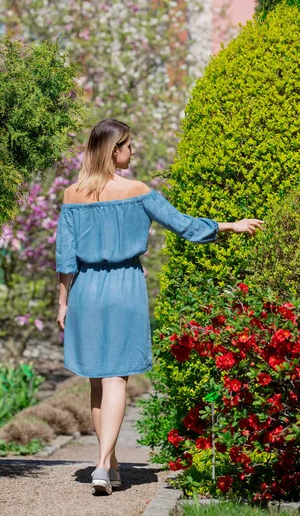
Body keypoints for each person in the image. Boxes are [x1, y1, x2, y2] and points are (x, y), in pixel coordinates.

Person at [55, 118, 263, 496]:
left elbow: (65, 257)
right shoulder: (137, 191)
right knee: (117, 376)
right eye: (129, 145)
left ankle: (111, 463)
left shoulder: (72, 195)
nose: (133, 151)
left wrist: (63, 302)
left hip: (86, 290)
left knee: (98, 382)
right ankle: (103, 465)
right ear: (113, 149)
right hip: (124, 288)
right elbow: (182, 225)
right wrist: (230, 225)